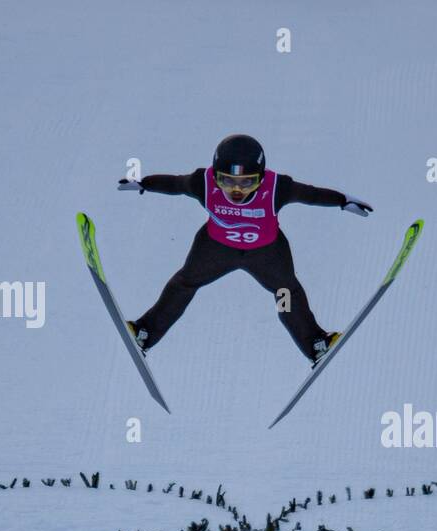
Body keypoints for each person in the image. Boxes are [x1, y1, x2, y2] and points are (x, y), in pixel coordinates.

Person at [117, 134, 372, 364]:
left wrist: (342, 201)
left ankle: (316, 344)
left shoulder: (277, 188)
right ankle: (144, 333)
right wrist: (144, 183)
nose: (236, 190)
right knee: (184, 284)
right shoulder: (203, 183)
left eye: (247, 182)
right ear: (215, 174)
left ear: (261, 177)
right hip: (215, 249)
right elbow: (176, 184)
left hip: (267, 254)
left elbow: (311, 195)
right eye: (226, 181)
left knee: (285, 294)